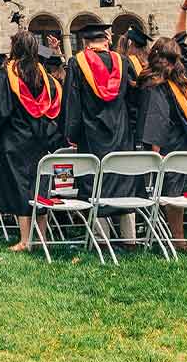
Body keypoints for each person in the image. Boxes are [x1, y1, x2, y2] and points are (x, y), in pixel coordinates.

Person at [63, 22, 137, 243]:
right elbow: (133, 100)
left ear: (86, 43)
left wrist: (72, 134)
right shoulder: (123, 62)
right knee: (122, 179)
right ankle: (129, 238)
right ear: (106, 40)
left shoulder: (77, 63)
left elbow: (72, 102)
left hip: (91, 134)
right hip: (121, 133)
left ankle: (101, 238)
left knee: (95, 181)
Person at [137, 36, 187, 249]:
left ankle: (179, 241)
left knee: (173, 193)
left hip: (169, 146)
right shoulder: (181, 80)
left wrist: (155, 149)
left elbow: (157, 118)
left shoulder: (157, 85)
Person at [0, 31, 62, 252]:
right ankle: (41, 237)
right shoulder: (43, 74)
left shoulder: (7, 73)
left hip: (15, 139)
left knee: (21, 187)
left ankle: (25, 239)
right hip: (41, 138)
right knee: (41, 185)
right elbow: (50, 107)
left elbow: (0, 110)